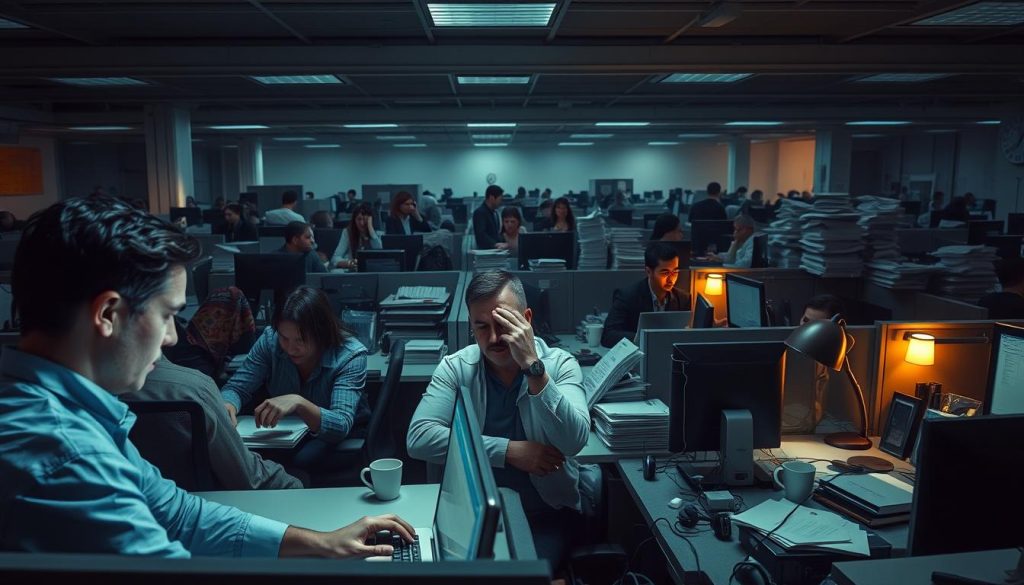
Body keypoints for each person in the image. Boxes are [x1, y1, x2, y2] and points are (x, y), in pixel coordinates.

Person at [0, 196, 413, 557]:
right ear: (108, 315)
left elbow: (181, 515)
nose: (171, 337)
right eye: (166, 314)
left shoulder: (83, 418)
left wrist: (319, 543)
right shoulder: (67, 455)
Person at [407, 270, 594, 569]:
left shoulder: (560, 365)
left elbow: (573, 441)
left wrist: (533, 368)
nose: (494, 338)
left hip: (544, 516)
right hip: (472, 519)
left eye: (504, 323)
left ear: (527, 319)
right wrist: (508, 451)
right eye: (481, 327)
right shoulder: (456, 368)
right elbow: (419, 438)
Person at [221, 286, 371, 473]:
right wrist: (227, 404)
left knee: (300, 461)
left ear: (322, 333)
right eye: (284, 338)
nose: (291, 348)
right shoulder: (271, 340)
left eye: (300, 340)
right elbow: (236, 387)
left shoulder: (350, 355)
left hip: (335, 432)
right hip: (287, 431)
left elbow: (340, 424)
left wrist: (298, 403)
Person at [124, 357, 304, 490]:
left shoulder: (107, 392)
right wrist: (293, 485)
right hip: (203, 506)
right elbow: (246, 477)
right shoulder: (194, 388)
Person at [601, 242, 690, 348]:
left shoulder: (683, 299)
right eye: (665, 273)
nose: (671, 279)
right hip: (640, 353)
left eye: (675, 272)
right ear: (649, 272)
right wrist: (644, 338)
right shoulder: (627, 296)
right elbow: (608, 336)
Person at [794, 295, 845, 433]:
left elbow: (817, 412)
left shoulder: (831, 359)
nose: (807, 328)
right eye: (805, 320)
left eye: (816, 325)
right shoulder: (793, 349)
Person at [331, 202, 382, 270]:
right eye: (359, 219)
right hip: (354, 270)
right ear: (354, 220)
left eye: (365, 219)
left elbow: (380, 253)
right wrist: (350, 263)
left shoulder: (378, 234)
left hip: (374, 270)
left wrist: (371, 230)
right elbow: (335, 258)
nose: (362, 223)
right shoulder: (348, 232)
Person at [472, 184, 505, 249]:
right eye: (500, 199)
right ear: (492, 198)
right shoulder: (480, 212)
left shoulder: (494, 212)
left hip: (496, 249)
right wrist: (496, 244)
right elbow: (481, 235)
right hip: (486, 251)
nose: (501, 202)